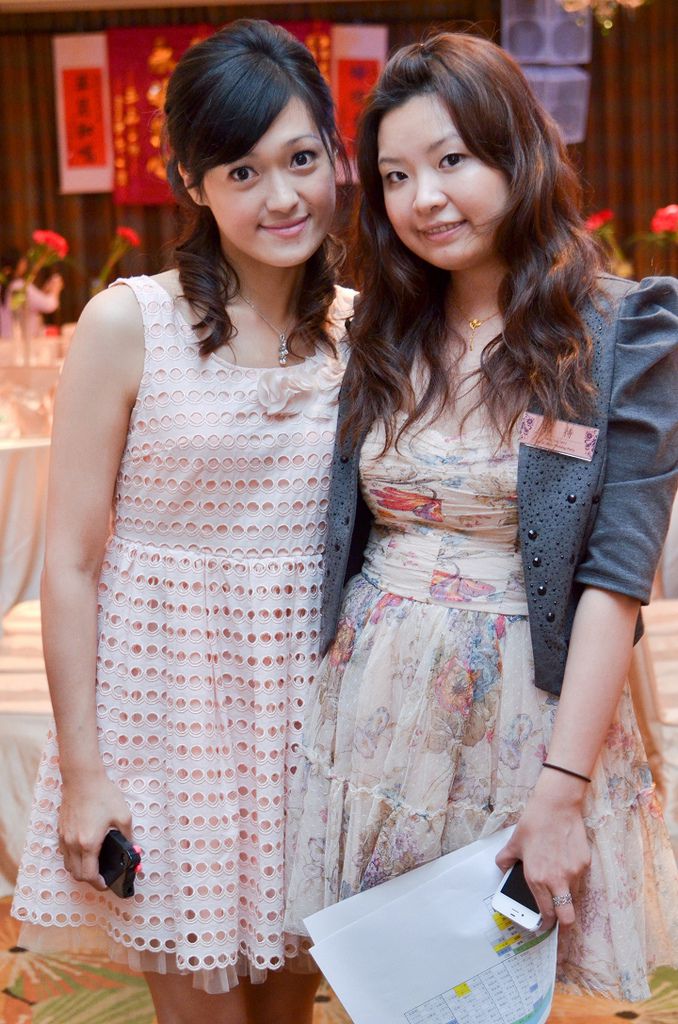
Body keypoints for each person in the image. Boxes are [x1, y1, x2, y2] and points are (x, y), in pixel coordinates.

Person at [283, 31, 678, 1002]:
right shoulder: (379, 329)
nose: (424, 198)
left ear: (517, 153)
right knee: (393, 993)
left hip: (526, 719)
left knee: (499, 993)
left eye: (452, 159)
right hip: (372, 709)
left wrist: (563, 789)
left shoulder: (622, 330)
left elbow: (615, 581)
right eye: (396, 175)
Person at [12, 19, 353, 1024]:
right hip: (165, 716)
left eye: (301, 159)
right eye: (242, 172)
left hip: (309, 722)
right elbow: (71, 563)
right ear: (192, 183)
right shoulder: (130, 323)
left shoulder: (365, 329)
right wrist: (85, 772)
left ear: (336, 156)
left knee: (289, 1012)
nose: (281, 196)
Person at [0, 246, 64, 338]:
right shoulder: (20, 286)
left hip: (5, 339)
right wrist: (55, 289)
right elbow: (49, 305)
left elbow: (31, 303)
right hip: (22, 339)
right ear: (18, 264)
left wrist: (45, 290)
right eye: (23, 260)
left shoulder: (4, 286)